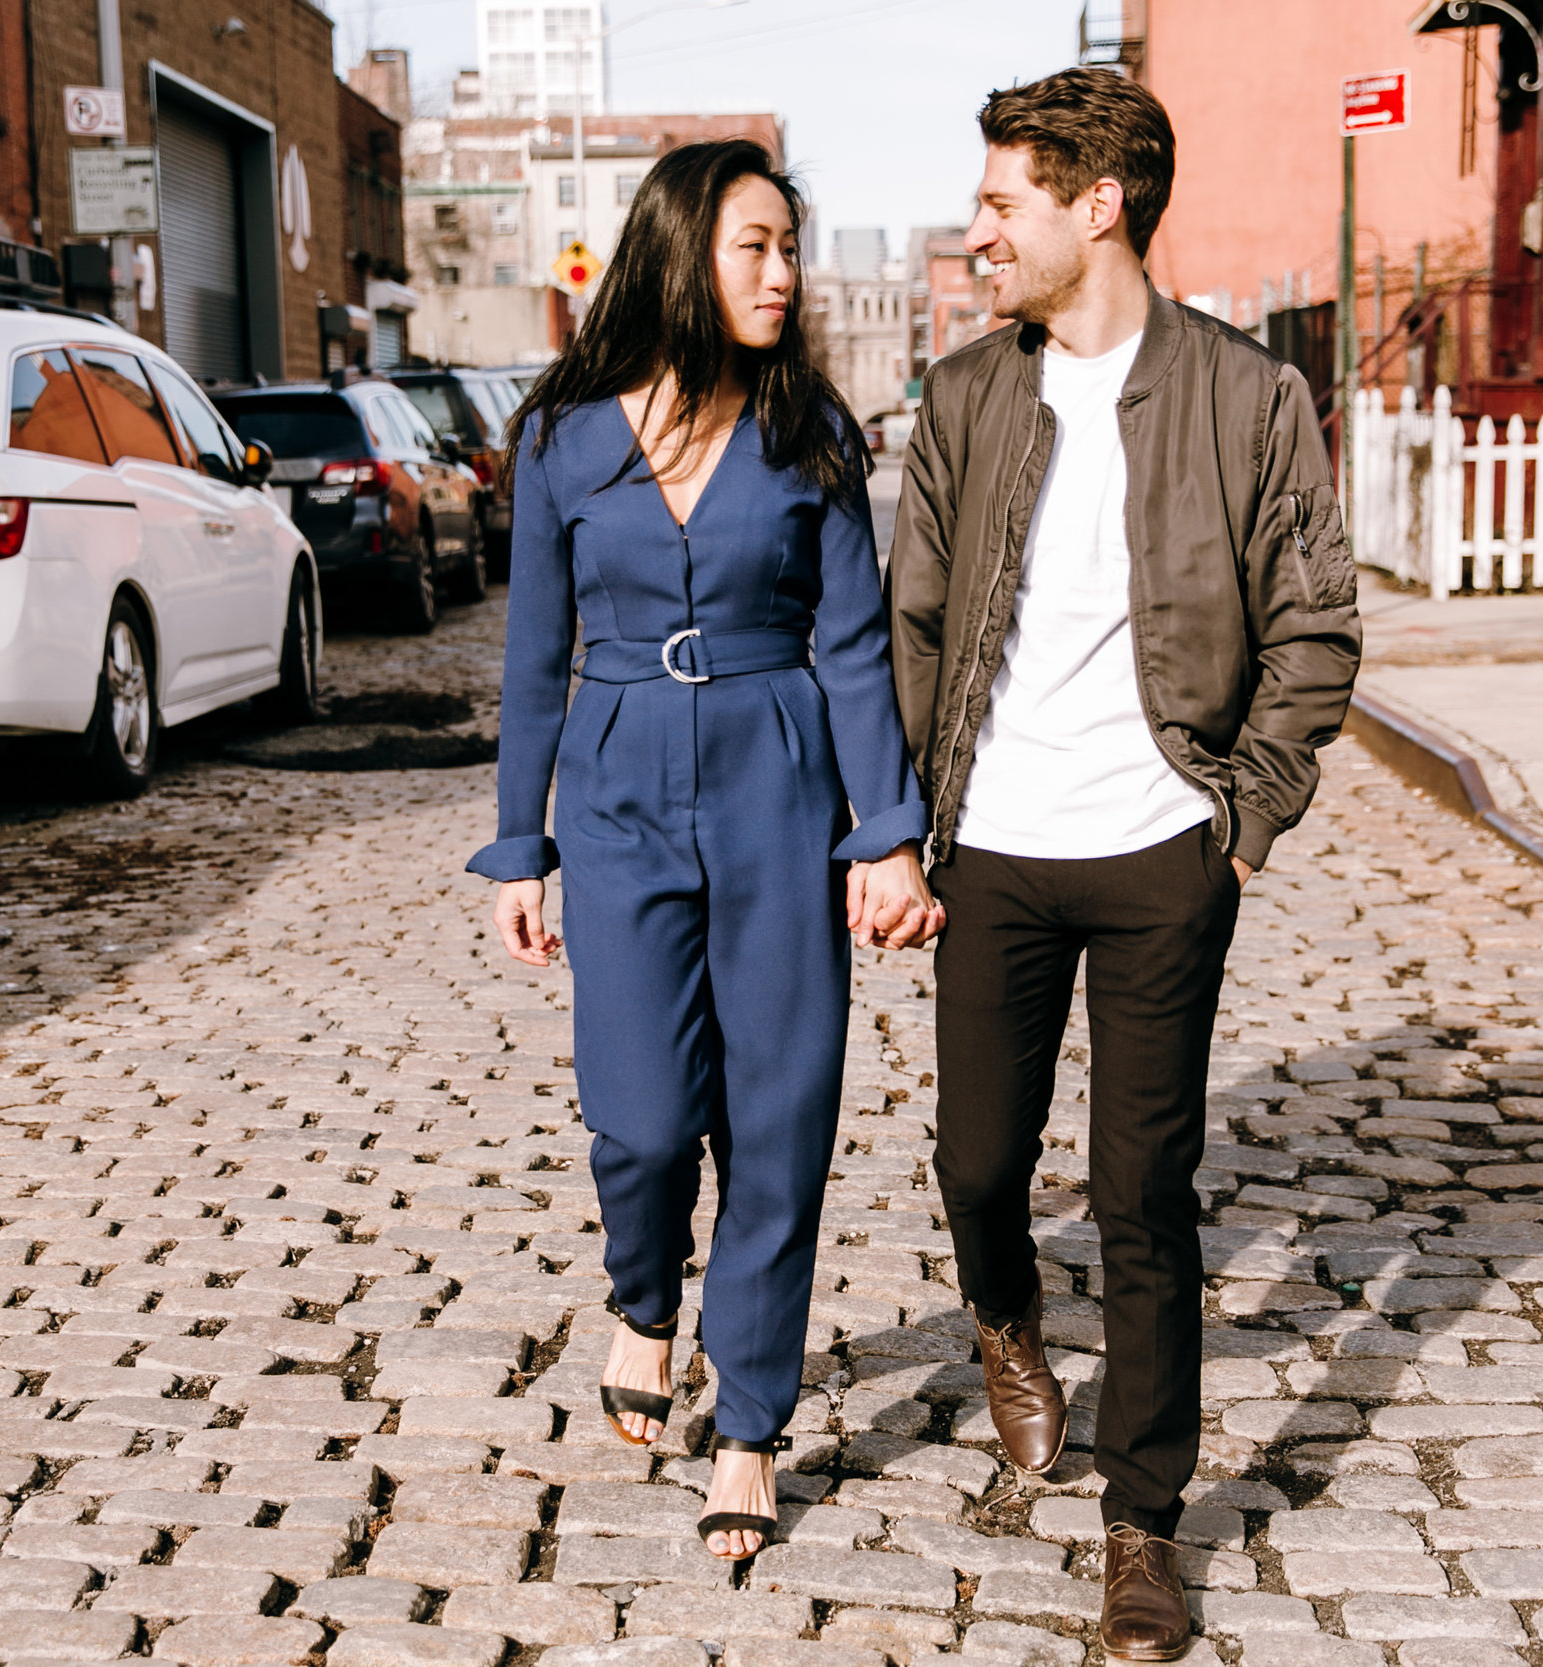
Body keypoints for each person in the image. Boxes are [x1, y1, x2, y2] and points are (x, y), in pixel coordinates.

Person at [887, 69, 1363, 1661]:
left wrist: (1243, 818)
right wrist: (902, 829)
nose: (977, 235)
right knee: (976, 1164)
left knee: (1150, 1194)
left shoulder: (1244, 395)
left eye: (1003, 204)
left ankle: (1142, 1529)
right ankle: (1008, 1318)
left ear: (1099, 207)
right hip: (999, 850)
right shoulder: (967, 398)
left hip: (1164, 843)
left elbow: (1315, 621)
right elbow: (920, 626)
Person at [470, 137, 941, 1561]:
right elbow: (535, 656)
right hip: (615, 790)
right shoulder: (561, 434)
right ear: (683, 250)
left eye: (791, 247)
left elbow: (854, 648)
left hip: (777, 778)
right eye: (757, 246)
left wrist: (888, 837)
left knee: (780, 1118)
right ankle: (639, 1296)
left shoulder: (813, 433)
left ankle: (747, 1420)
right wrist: (518, 844)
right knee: (644, 1115)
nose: (784, 274)